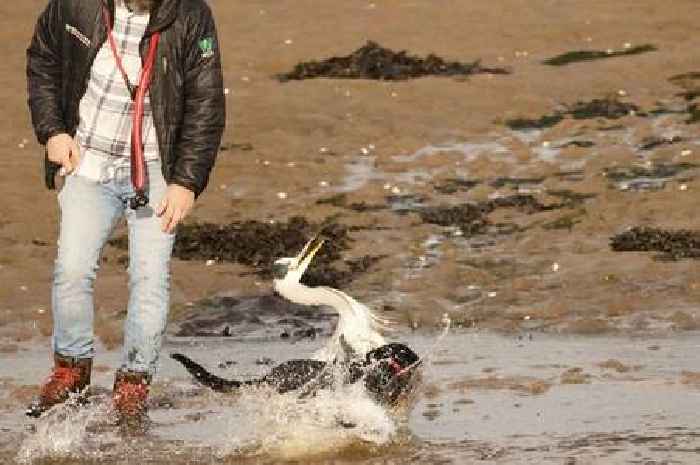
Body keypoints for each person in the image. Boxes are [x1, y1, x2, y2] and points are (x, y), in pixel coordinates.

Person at [25, 0, 225, 425]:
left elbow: (206, 103)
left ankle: (134, 381)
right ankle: (71, 370)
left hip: (157, 170)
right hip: (88, 163)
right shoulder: (75, 4)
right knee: (72, 271)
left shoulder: (191, 16)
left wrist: (186, 182)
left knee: (150, 279)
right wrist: (53, 132)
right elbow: (43, 57)